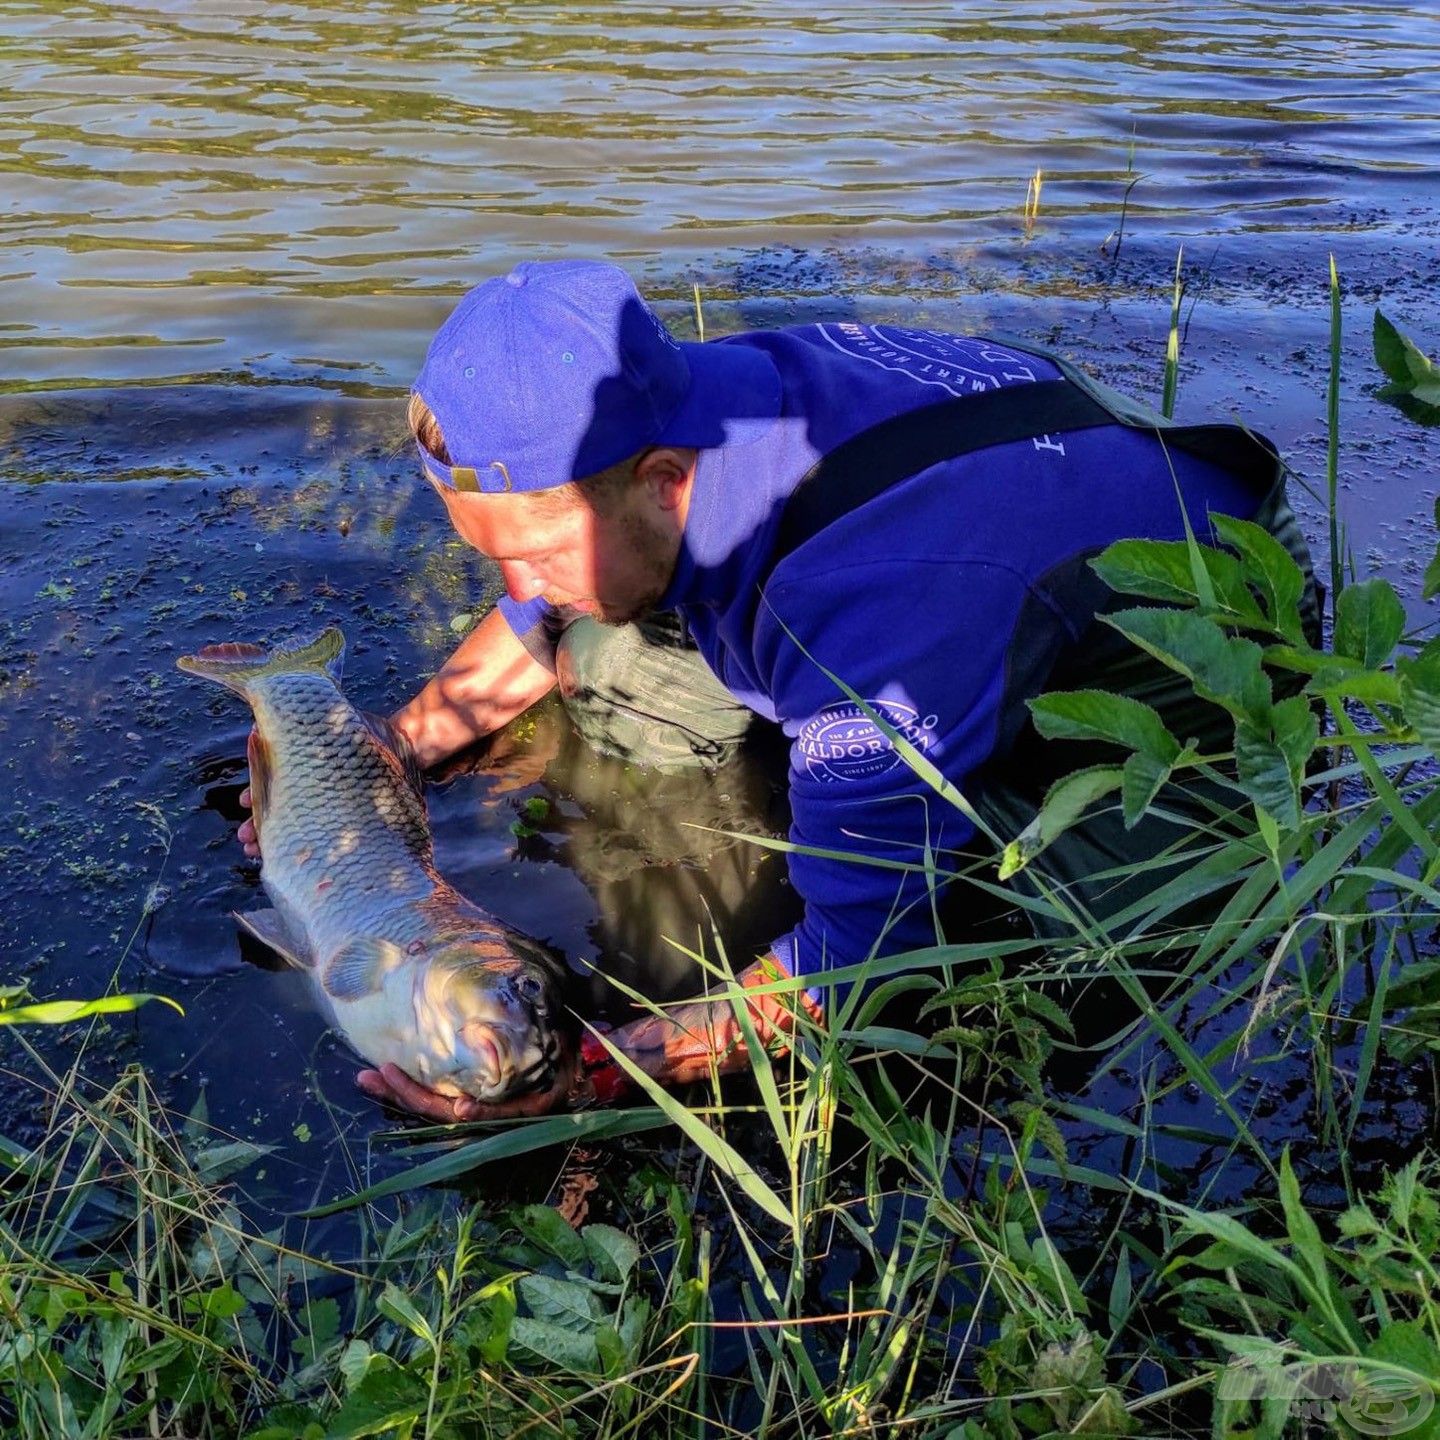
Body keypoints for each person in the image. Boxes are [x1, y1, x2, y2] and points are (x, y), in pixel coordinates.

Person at [239, 259, 1318, 1122]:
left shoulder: (873, 618)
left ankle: (1049, 816)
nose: (521, 594)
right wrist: (383, 756)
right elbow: (549, 600)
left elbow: (847, 956)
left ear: (665, 481)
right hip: (995, 523)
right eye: (495, 558)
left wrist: (589, 1079)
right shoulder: (680, 402)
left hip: (1197, 671)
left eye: (539, 557)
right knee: (611, 656)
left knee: (982, 942)